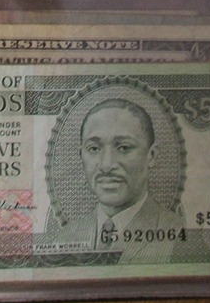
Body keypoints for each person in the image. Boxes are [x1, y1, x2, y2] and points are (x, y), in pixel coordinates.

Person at [50, 99, 187, 263]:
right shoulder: (64, 238)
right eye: (94, 148)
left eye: (124, 148)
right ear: (81, 155)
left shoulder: (181, 233)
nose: (106, 165)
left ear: (151, 155)